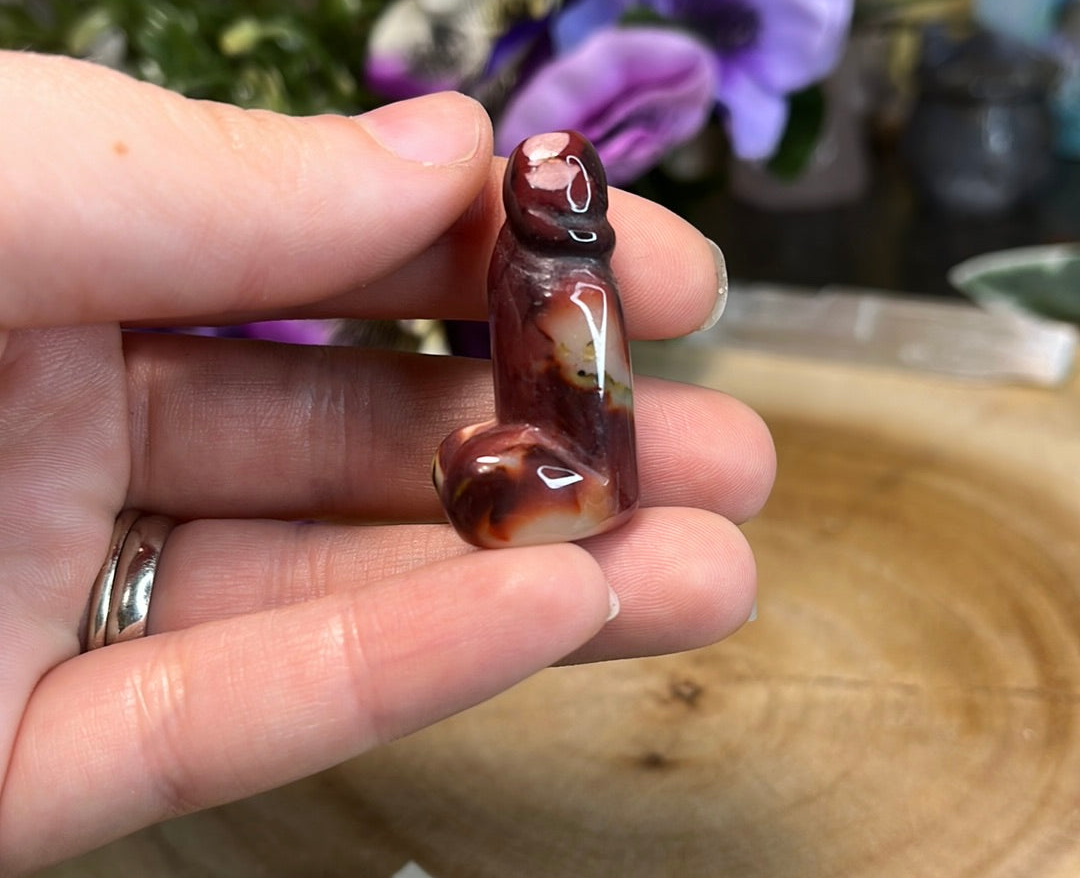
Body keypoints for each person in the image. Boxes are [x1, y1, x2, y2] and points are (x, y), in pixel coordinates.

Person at [0, 50, 774, 873]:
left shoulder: (576, 287)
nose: (549, 200)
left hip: (582, 472)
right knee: (463, 465)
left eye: (563, 190)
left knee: (476, 475)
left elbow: (587, 431)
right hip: (542, 452)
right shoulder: (522, 263)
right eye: (537, 188)